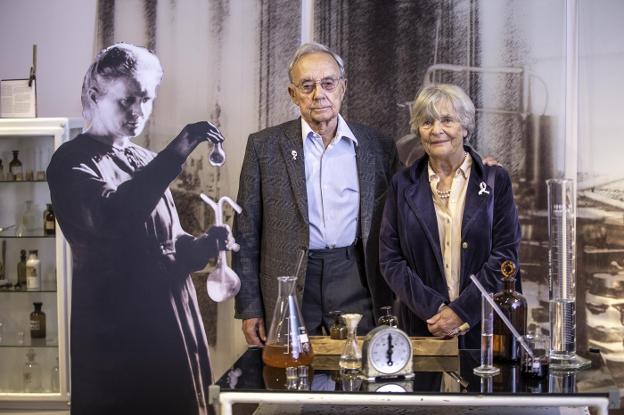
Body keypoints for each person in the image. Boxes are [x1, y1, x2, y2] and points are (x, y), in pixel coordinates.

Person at [47, 43, 228, 415]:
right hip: (120, 331)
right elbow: (112, 220)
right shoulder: (71, 162)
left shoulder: (143, 159)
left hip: (172, 323)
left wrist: (203, 246)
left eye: (145, 100)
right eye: (126, 100)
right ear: (95, 95)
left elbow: (169, 243)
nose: (137, 112)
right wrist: (178, 150)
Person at [233, 42, 398, 345]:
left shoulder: (378, 147)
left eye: (328, 83)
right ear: (292, 94)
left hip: (357, 276)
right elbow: (245, 234)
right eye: (306, 85)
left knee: (357, 375)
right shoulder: (264, 147)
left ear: (343, 88)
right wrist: (249, 307)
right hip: (290, 282)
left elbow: (403, 217)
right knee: (292, 379)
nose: (318, 94)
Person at [379, 84, 521, 348]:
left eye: (447, 120)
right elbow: (391, 260)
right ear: (418, 131)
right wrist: (434, 309)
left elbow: (505, 256)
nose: (437, 130)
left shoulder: (494, 180)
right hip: (424, 329)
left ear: (465, 128)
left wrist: (461, 312)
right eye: (427, 122)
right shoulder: (402, 185)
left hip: (486, 330)